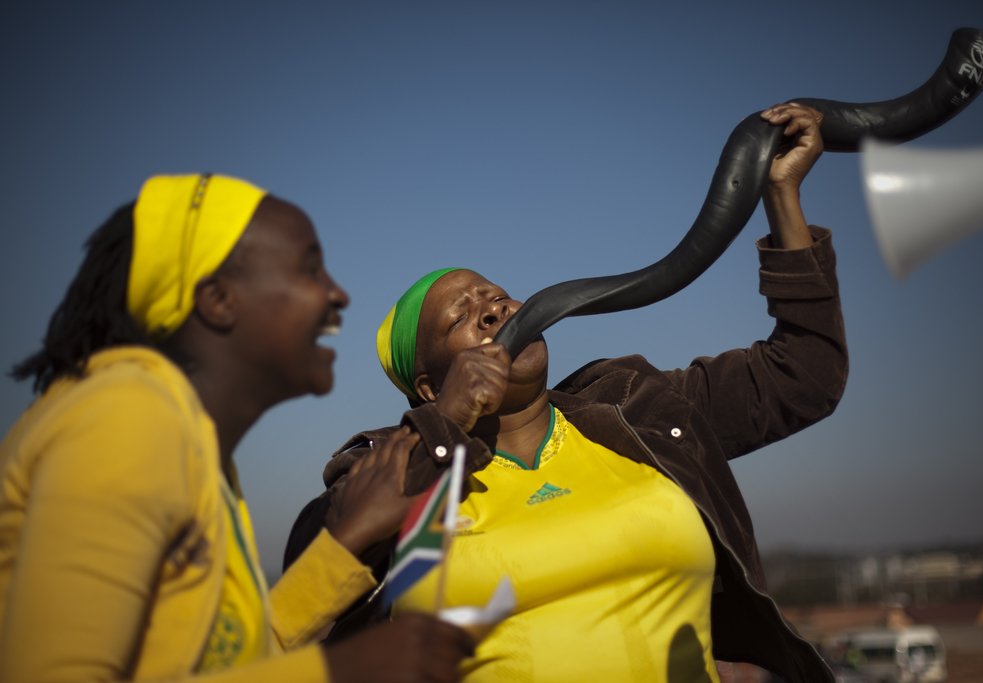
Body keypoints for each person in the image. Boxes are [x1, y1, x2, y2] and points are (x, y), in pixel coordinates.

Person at [286, 102, 846, 682]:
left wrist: (781, 196)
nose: (495, 311)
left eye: (497, 297)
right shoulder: (387, 468)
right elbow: (310, 574)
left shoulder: (637, 408)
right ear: (428, 386)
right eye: (462, 317)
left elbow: (804, 376)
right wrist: (446, 422)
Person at [0, 174, 474, 683]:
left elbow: (232, 658)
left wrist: (347, 539)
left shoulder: (197, 452)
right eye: (309, 268)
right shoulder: (124, 418)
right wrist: (339, 668)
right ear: (218, 300)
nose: (338, 294)